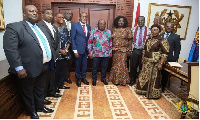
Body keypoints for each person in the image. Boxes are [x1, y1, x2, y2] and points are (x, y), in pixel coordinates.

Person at [3, 5, 54, 119]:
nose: (35, 13)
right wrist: (18, 67)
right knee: (28, 91)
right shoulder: (15, 27)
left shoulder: (40, 28)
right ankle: (32, 111)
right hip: (28, 67)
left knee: (40, 89)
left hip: (44, 65)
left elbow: (46, 44)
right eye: (31, 11)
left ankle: (40, 106)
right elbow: (10, 49)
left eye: (36, 11)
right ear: (24, 14)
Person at [136, 24, 170, 99]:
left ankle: (152, 94)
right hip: (146, 62)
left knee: (153, 78)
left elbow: (165, 53)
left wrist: (161, 63)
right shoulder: (149, 39)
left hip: (155, 63)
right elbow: (144, 50)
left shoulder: (162, 40)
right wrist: (142, 59)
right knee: (144, 77)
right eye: (152, 30)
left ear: (159, 31)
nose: (153, 32)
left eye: (155, 30)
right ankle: (143, 91)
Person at [37, 8, 62, 104]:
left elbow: (58, 41)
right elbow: (44, 43)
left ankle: (51, 92)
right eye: (47, 13)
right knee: (44, 78)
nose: (50, 16)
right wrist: (52, 53)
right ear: (42, 15)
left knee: (52, 75)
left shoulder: (54, 27)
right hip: (46, 56)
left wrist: (56, 53)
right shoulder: (39, 26)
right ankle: (43, 97)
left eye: (51, 14)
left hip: (54, 55)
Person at [108, 16, 133, 86]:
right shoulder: (114, 29)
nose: (121, 22)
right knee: (115, 65)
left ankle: (122, 80)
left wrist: (129, 50)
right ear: (117, 22)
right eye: (119, 21)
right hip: (115, 50)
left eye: (122, 21)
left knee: (122, 65)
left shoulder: (128, 30)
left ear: (124, 22)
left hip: (123, 50)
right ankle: (115, 79)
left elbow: (130, 40)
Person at [88, 19, 112, 86]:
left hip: (105, 54)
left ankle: (103, 79)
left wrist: (110, 52)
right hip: (96, 54)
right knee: (94, 68)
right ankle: (94, 79)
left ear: (105, 25)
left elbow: (110, 42)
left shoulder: (108, 32)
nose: (102, 25)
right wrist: (90, 53)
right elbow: (89, 43)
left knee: (104, 67)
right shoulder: (93, 32)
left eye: (103, 24)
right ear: (97, 24)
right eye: (100, 24)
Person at [71, 12, 91, 87]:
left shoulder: (88, 27)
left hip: (85, 50)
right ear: (80, 17)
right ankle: (78, 79)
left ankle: (84, 78)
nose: (84, 18)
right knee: (77, 65)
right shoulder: (75, 26)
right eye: (83, 16)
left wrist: (89, 50)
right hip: (78, 50)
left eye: (85, 17)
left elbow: (88, 39)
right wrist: (75, 50)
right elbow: (72, 39)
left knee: (84, 66)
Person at [130, 16, 151, 86]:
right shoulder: (133, 29)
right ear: (137, 21)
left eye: (142, 20)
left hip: (144, 51)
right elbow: (130, 40)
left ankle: (141, 82)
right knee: (133, 66)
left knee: (142, 67)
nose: (141, 22)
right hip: (135, 50)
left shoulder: (149, 30)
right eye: (139, 20)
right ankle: (132, 80)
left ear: (144, 21)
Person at [161, 22, 181, 92]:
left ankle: (163, 87)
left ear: (173, 28)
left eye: (171, 27)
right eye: (167, 26)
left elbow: (177, 49)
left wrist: (174, 59)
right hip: (159, 58)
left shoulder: (176, 37)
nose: (169, 28)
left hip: (169, 59)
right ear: (165, 27)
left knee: (165, 74)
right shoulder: (160, 35)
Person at [53, 13, 71, 92]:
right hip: (57, 54)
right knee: (56, 71)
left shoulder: (64, 28)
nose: (61, 19)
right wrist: (60, 50)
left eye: (62, 17)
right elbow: (51, 43)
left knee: (63, 70)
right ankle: (55, 86)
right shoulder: (52, 28)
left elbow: (69, 40)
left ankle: (61, 84)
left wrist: (66, 50)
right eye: (59, 17)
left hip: (65, 54)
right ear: (55, 18)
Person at [63, 10, 75, 84]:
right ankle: (61, 77)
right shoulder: (61, 22)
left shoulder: (74, 23)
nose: (69, 15)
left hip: (71, 46)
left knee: (69, 62)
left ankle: (67, 77)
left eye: (71, 14)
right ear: (64, 14)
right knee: (62, 62)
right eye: (67, 13)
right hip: (62, 46)